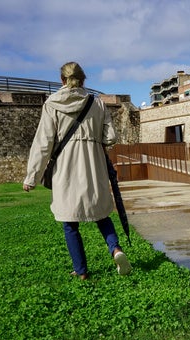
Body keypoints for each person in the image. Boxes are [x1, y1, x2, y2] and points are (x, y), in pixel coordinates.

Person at [22, 62, 131, 280]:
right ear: (83, 80)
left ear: (62, 80)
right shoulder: (97, 104)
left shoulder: (52, 104)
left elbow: (43, 143)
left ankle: (81, 271)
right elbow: (110, 137)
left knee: (70, 222)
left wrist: (31, 177)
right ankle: (116, 249)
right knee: (101, 213)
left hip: (66, 168)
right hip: (94, 166)